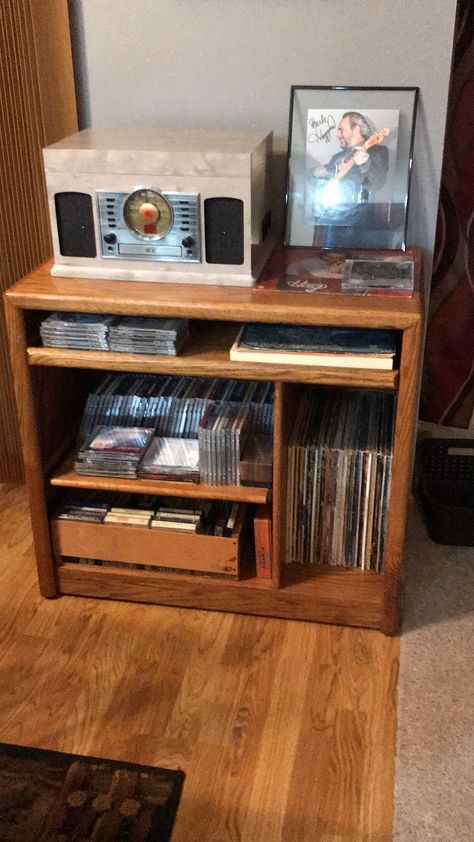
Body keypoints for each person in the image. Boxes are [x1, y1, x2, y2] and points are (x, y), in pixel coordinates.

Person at [309, 111, 390, 247]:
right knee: (329, 263)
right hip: (333, 221)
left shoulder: (377, 152)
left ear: (357, 129)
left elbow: (378, 182)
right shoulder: (337, 157)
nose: (337, 134)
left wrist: (364, 164)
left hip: (362, 224)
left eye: (341, 130)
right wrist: (316, 172)